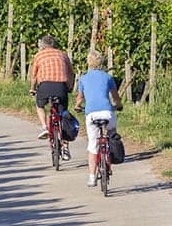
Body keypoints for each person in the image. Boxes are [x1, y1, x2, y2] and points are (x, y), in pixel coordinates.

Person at [73, 50, 121, 187]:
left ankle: (92, 177)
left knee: (93, 145)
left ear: (88, 62)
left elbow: (80, 97)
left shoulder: (83, 78)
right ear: (101, 62)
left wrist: (77, 106)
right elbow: (115, 96)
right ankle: (111, 152)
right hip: (107, 112)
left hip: (92, 114)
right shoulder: (108, 77)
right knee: (112, 132)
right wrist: (118, 105)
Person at [29, 34, 74, 140]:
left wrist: (32, 88)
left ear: (42, 45)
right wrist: (69, 86)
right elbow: (71, 73)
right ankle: (65, 144)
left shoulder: (39, 55)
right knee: (63, 111)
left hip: (45, 86)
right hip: (61, 87)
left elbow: (34, 76)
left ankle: (44, 127)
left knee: (40, 106)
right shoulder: (63, 55)